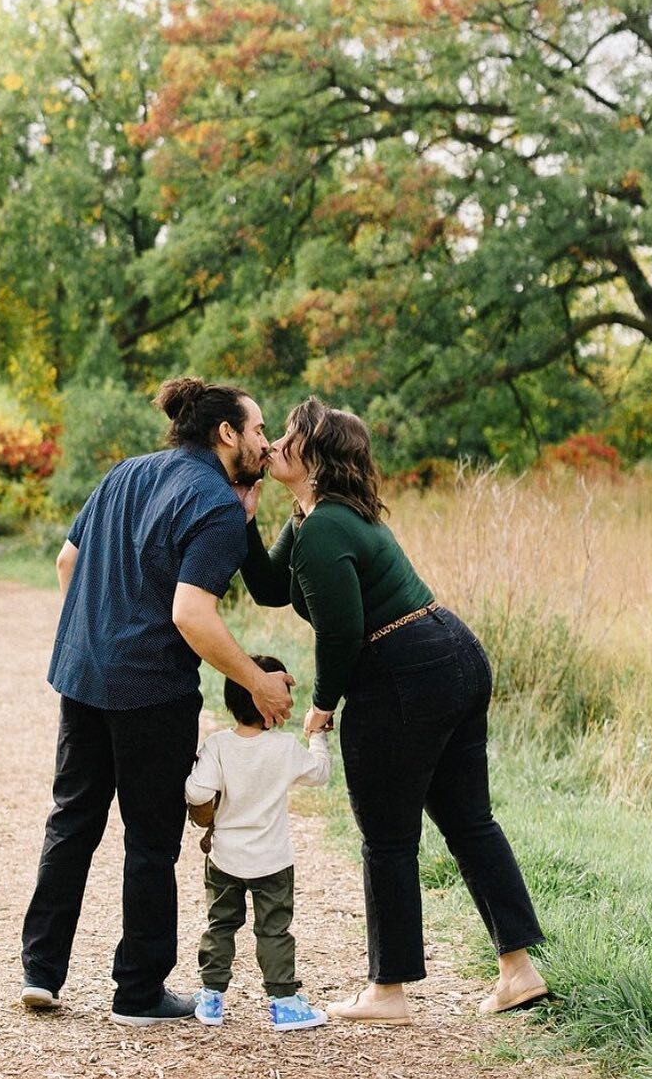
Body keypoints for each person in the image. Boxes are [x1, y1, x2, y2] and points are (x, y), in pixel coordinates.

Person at [238, 396, 548, 1026]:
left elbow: (341, 634)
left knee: (386, 836)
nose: (273, 443)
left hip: (406, 672)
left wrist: (322, 707)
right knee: (469, 821)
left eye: (288, 434)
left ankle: (389, 992)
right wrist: (246, 517)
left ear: (315, 456)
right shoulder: (316, 520)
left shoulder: (325, 525)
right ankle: (519, 970)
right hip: (452, 654)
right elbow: (272, 589)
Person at [20, 377, 296, 1027]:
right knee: (149, 841)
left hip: (83, 676)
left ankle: (40, 969)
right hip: (150, 690)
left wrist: (93, 634)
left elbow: (67, 561)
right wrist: (256, 681)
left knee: (72, 821)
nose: (265, 440)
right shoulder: (213, 503)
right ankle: (137, 992)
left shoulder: (126, 473)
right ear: (225, 432)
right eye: (258, 429)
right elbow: (191, 614)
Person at [185, 654, 331, 1032]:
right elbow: (320, 773)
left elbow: (197, 790)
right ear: (271, 706)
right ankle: (283, 1003)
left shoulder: (218, 745)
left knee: (220, 926)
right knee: (274, 931)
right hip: (273, 861)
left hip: (225, 859)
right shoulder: (284, 749)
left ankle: (211, 999)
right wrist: (318, 736)